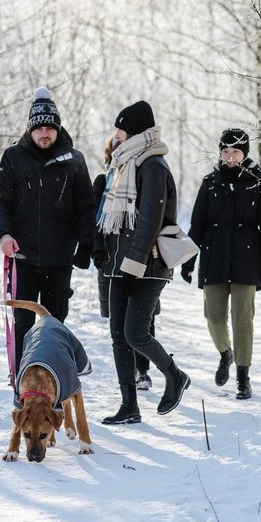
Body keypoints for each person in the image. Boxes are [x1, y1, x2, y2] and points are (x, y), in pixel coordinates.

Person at [96, 100, 190, 424]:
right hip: (121, 263)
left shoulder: (152, 166)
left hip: (147, 266)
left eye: (119, 128)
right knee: (119, 336)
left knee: (136, 333)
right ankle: (129, 406)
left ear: (132, 130)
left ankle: (175, 376)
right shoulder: (125, 165)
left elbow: (150, 220)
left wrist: (132, 263)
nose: (116, 135)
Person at [0, 87, 96, 373]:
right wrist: (4, 234)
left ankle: (51, 383)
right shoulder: (13, 157)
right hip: (23, 257)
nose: (45, 133)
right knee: (24, 322)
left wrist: (86, 243)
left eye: (51, 127)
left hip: (60, 259)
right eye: (40, 128)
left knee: (54, 325)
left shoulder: (74, 159)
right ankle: (23, 386)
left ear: (58, 128)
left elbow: (87, 205)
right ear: (30, 129)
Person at [180, 128, 261, 400]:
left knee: (242, 320)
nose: (230, 157)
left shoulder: (260, 183)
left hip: (248, 261)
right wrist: (189, 261)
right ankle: (226, 353)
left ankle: (243, 377)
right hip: (214, 258)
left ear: (244, 153)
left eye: (235, 151)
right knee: (214, 318)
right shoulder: (210, 182)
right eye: (225, 151)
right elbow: (197, 224)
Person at [93, 133, 158, 392]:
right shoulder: (103, 182)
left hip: (139, 259)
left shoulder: (143, 176)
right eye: (115, 150)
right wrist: (97, 249)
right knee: (117, 323)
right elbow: (95, 220)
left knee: (143, 320)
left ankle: (143, 370)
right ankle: (128, 375)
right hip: (110, 260)